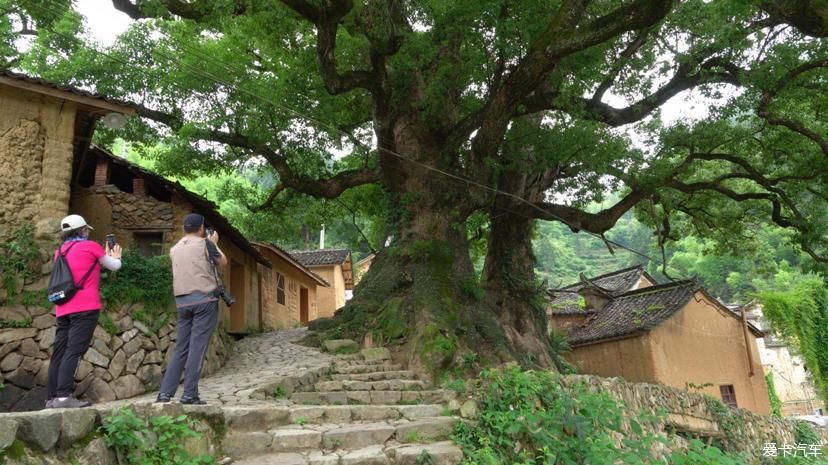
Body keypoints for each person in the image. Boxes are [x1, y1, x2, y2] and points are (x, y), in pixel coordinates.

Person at [47, 214, 122, 409]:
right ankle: (64, 397)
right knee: (74, 351)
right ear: (82, 230)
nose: (88, 232)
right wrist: (116, 255)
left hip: (63, 307)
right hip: (85, 308)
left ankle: (51, 398)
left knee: (60, 351)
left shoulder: (59, 252)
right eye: (86, 229)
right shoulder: (91, 246)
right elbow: (114, 266)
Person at [157, 213, 226, 405]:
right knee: (197, 347)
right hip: (204, 301)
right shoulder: (205, 244)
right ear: (202, 228)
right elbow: (222, 262)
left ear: (183, 228)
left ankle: (165, 393)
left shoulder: (174, 249)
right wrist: (214, 243)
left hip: (182, 303)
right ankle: (189, 394)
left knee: (181, 348)